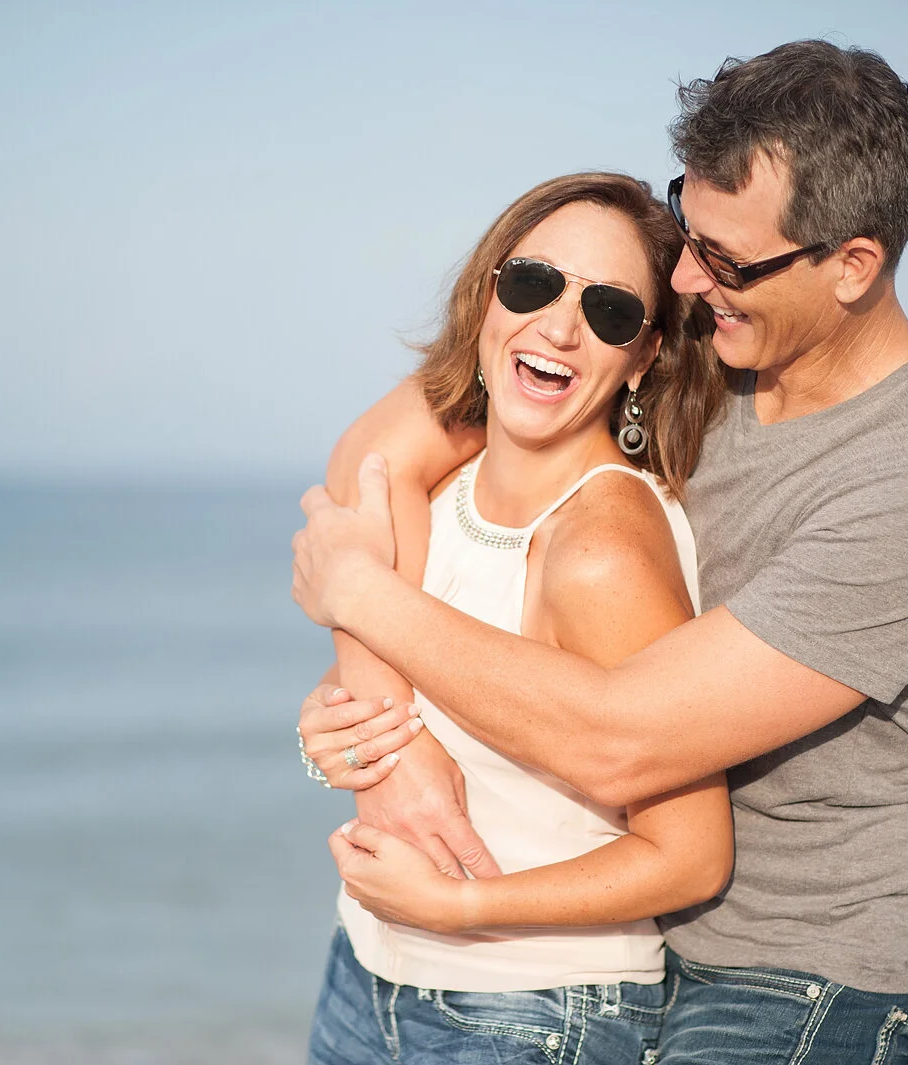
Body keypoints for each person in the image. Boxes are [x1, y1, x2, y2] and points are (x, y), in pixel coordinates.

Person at [293, 40, 908, 1064]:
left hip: (807, 972)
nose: (683, 277)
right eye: (687, 230)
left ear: (853, 265)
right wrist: (383, 739)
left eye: (722, 261)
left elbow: (618, 742)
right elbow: (381, 453)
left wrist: (360, 597)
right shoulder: (713, 352)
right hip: (639, 936)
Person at [302, 173, 735, 1065]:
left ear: (645, 354)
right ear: (489, 292)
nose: (560, 327)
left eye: (610, 310)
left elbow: (691, 854)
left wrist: (466, 907)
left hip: (534, 1013)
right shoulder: (437, 490)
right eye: (534, 282)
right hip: (367, 977)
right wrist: (346, 736)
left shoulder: (600, 549)